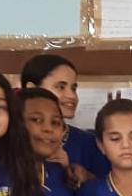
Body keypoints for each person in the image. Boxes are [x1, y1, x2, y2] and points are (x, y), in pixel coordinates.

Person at [19, 53, 108, 181]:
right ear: (31, 89)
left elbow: (109, 192)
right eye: (61, 87)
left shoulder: (90, 143)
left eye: (73, 88)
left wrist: (80, 175)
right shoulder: (8, 140)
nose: (71, 96)